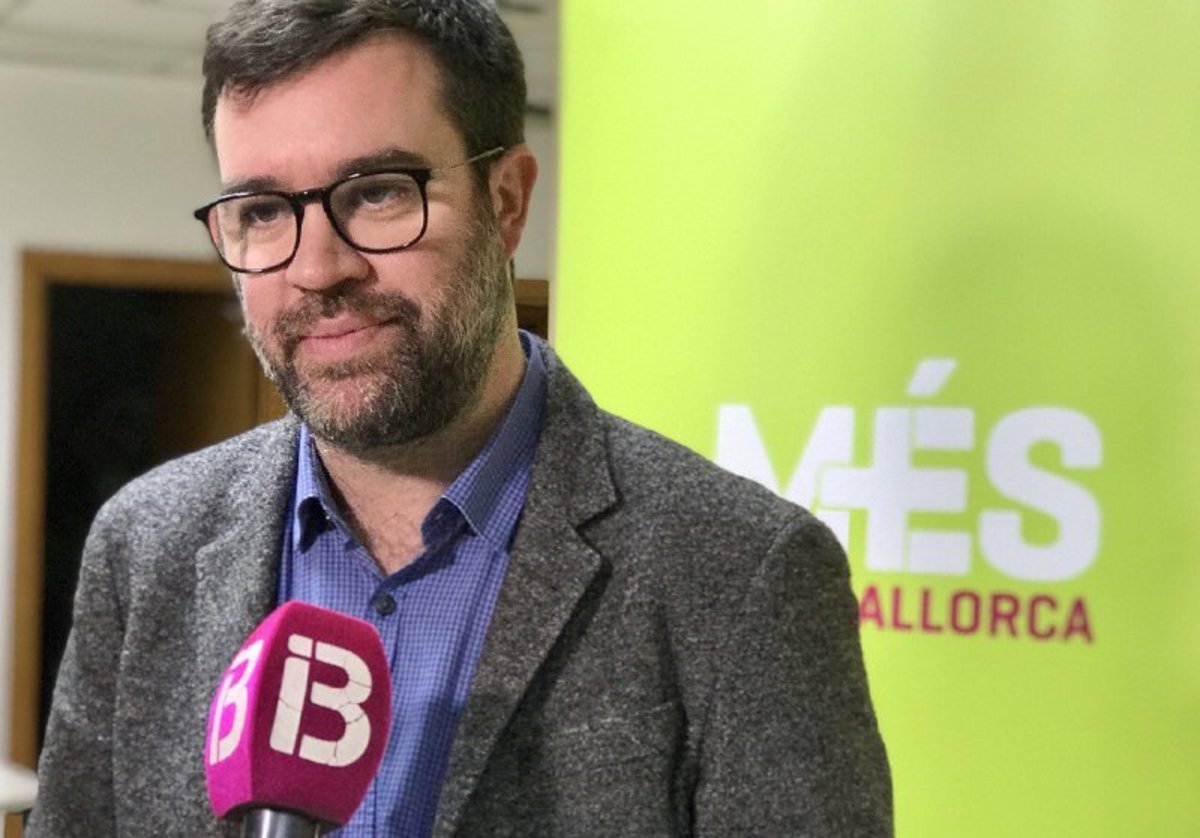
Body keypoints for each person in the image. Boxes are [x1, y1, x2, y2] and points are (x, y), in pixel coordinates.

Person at [28, 1, 892, 835]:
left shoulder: (738, 573)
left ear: (506, 200)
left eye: (377, 193)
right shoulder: (146, 546)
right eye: (261, 212)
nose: (317, 269)